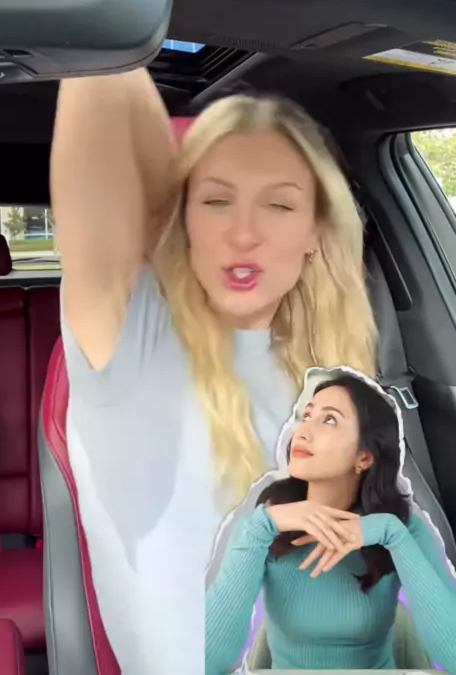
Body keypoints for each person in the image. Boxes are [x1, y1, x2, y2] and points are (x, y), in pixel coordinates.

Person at [50, 68, 377, 674]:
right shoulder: (133, 347)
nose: (243, 233)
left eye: (279, 204)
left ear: (314, 232)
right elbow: (97, 71)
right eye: (216, 201)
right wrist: (119, 25)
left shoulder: (331, 377)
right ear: (181, 221)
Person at [205, 367, 456, 675]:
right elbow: (206, 662)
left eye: (329, 420)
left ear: (364, 457)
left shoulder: (403, 528)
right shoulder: (262, 526)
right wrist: (262, 527)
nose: (303, 431)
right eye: (306, 416)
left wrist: (391, 533)